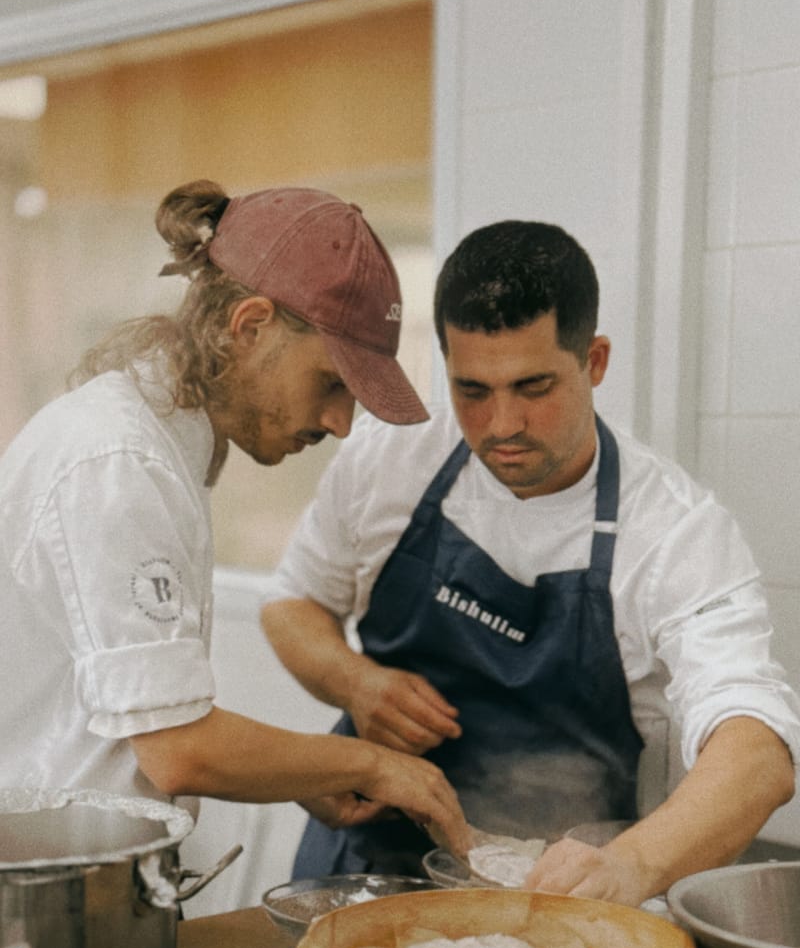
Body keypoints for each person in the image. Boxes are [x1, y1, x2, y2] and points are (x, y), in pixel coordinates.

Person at [260, 219, 799, 905]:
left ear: (594, 361)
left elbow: (757, 753)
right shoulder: (390, 457)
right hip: (360, 873)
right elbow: (292, 604)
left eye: (533, 387)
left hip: (563, 897)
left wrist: (632, 865)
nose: (502, 425)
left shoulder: (675, 532)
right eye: (472, 391)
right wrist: (356, 683)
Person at [0, 180, 470, 855]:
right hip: (44, 885)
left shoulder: (156, 446)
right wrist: (372, 764)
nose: (341, 423)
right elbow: (179, 751)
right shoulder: (119, 462)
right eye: (332, 382)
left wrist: (299, 775)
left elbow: (149, 709)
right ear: (249, 327)